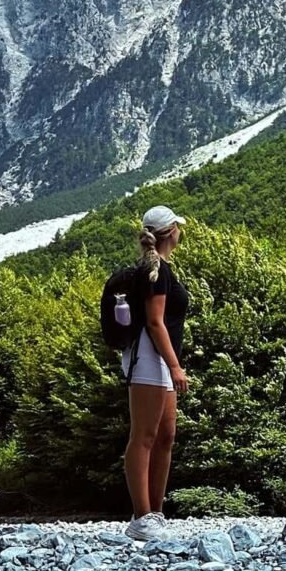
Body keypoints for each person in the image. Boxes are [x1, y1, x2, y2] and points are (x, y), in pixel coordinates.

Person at [123, 204, 190, 541]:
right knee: (145, 437)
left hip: (159, 359)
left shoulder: (160, 268)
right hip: (149, 358)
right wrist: (175, 365)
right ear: (170, 232)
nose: (181, 232)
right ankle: (141, 517)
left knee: (166, 436)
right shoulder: (155, 272)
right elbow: (154, 321)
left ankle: (155, 513)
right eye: (178, 227)